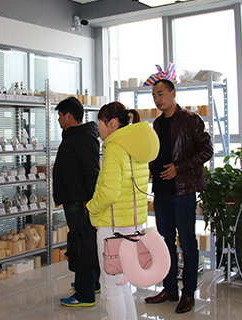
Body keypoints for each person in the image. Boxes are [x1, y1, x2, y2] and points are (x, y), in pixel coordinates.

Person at [145, 79, 214, 314]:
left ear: (173, 93)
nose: (157, 99)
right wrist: (151, 168)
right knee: (165, 243)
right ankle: (170, 289)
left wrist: (179, 167)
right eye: (154, 95)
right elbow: (157, 154)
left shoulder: (190, 120)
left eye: (161, 93)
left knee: (187, 242)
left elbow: (207, 150)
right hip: (161, 191)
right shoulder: (156, 123)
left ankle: (188, 294)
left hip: (183, 191)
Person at [86, 102, 159, 320]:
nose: (97, 127)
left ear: (112, 124)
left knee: (113, 288)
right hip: (133, 225)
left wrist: (91, 207)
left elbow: (109, 193)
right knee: (122, 282)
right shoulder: (136, 145)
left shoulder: (115, 148)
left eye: (99, 122)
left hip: (112, 227)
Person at [53, 97, 101, 307]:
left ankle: (84, 294)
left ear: (69, 116)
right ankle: (91, 284)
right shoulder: (74, 135)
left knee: (82, 243)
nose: (58, 120)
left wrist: (90, 201)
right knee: (85, 241)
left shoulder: (82, 137)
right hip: (75, 198)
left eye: (60, 115)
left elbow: (91, 171)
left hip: (79, 200)